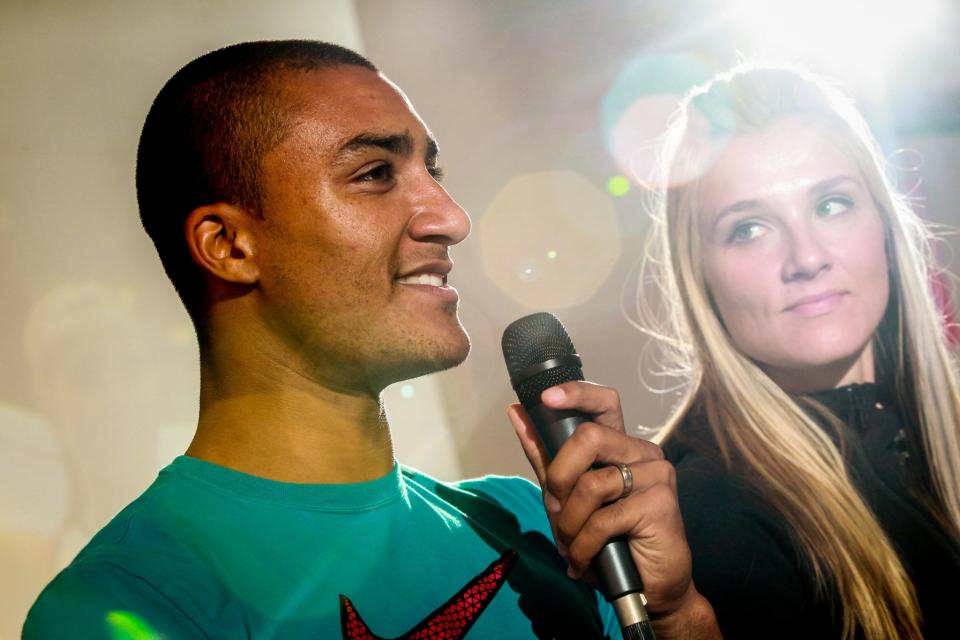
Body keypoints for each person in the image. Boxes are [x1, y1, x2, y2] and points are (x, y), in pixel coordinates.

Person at [23, 40, 717, 639]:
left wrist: (677, 615)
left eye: (431, 173)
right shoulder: (126, 602)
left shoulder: (537, 524)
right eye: (375, 174)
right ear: (229, 245)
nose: (450, 217)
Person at [636, 62, 960, 639]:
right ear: (700, 273)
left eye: (831, 204)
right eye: (749, 228)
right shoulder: (715, 512)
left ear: (884, 224)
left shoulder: (933, 432)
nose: (807, 258)